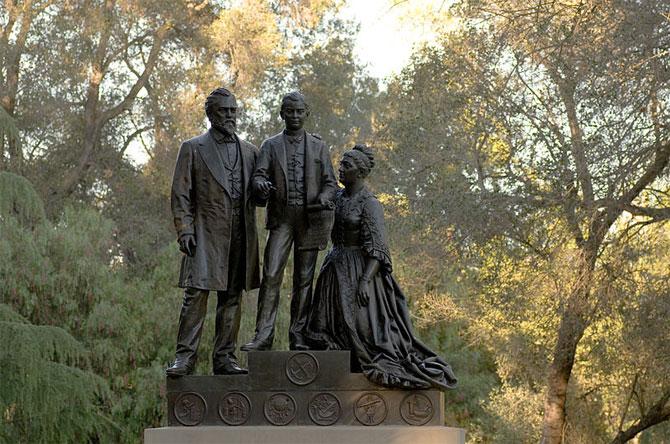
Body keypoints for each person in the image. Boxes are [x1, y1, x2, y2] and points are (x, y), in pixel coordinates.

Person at [303, 145, 457, 390]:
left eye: (347, 166)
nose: (340, 169)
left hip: (360, 271)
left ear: (361, 172)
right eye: (340, 164)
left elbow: (378, 248)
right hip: (333, 268)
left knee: (364, 329)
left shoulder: (370, 204)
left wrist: (365, 280)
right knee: (326, 326)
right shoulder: (338, 198)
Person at [167, 87, 260, 376]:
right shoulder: (193, 148)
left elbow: (259, 195)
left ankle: (225, 358)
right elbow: (180, 193)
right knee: (196, 296)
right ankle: (184, 358)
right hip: (206, 233)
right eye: (224, 111)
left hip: (240, 234)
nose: (230, 116)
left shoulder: (250, 152)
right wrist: (185, 230)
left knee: (232, 297)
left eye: (233, 110)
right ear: (211, 114)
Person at [241, 92, 337, 351]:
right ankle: (263, 336)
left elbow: (331, 183)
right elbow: (258, 176)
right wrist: (261, 185)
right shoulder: (270, 145)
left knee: (304, 280)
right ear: (282, 113)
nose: (294, 116)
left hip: (310, 220)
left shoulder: (318, 147)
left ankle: (299, 335)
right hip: (282, 219)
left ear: (306, 113)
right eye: (289, 111)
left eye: (299, 112)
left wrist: (325, 198)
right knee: (271, 274)